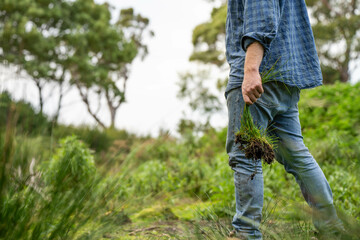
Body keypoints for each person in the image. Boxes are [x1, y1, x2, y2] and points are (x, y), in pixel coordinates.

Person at [224, 0, 343, 239]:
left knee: (246, 154)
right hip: (285, 77)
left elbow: (261, 16)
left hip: (260, 74)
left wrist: (250, 70)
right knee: (296, 154)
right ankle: (331, 229)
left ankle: (246, 233)